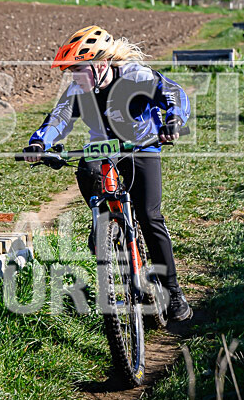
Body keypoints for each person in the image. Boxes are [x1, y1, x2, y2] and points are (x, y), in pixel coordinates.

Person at [22, 25, 193, 322]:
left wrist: (173, 121)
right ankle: (104, 225)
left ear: (101, 64)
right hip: (102, 149)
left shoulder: (134, 76)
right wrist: (39, 142)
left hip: (142, 146)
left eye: (79, 69)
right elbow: (59, 117)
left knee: (150, 216)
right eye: (71, 71)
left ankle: (173, 292)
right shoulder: (79, 89)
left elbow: (173, 94)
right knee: (89, 172)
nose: (74, 76)